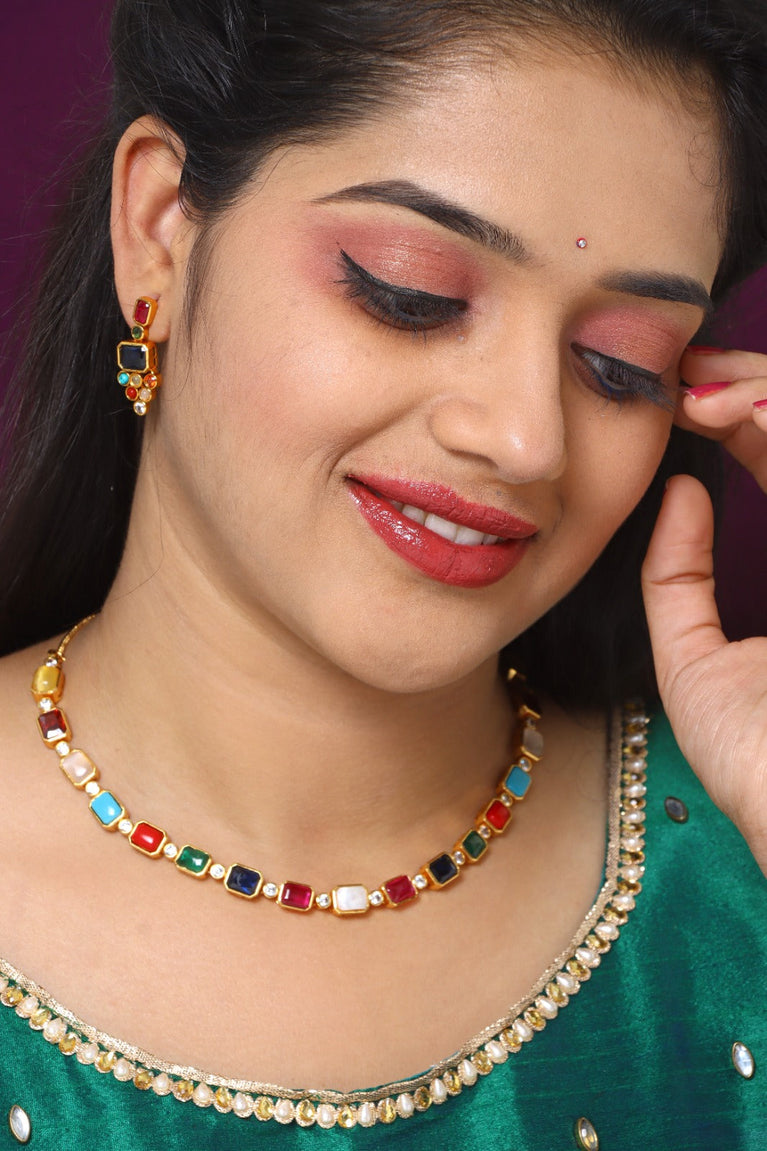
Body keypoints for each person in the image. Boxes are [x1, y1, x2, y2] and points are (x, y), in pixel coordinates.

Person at [0, 0, 765, 1146]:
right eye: (408, 295)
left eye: (618, 365)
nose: (525, 438)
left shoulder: (729, 870)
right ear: (159, 227)